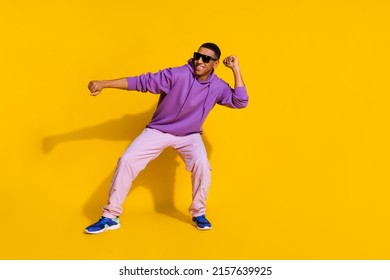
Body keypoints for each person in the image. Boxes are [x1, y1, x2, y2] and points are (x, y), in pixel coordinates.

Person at [85, 42, 248, 234]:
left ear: (216, 63)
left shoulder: (218, 86)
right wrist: (104, 84)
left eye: (206, 58)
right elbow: (141, 82)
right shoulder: (177, 75)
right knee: (127, 160)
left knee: (202, 165)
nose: (199, 61)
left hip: (190, 135)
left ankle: (198, 213)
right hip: (159, 131)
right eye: (197, 55)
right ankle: (110, 217)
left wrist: (236, 69)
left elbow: (240, 101)